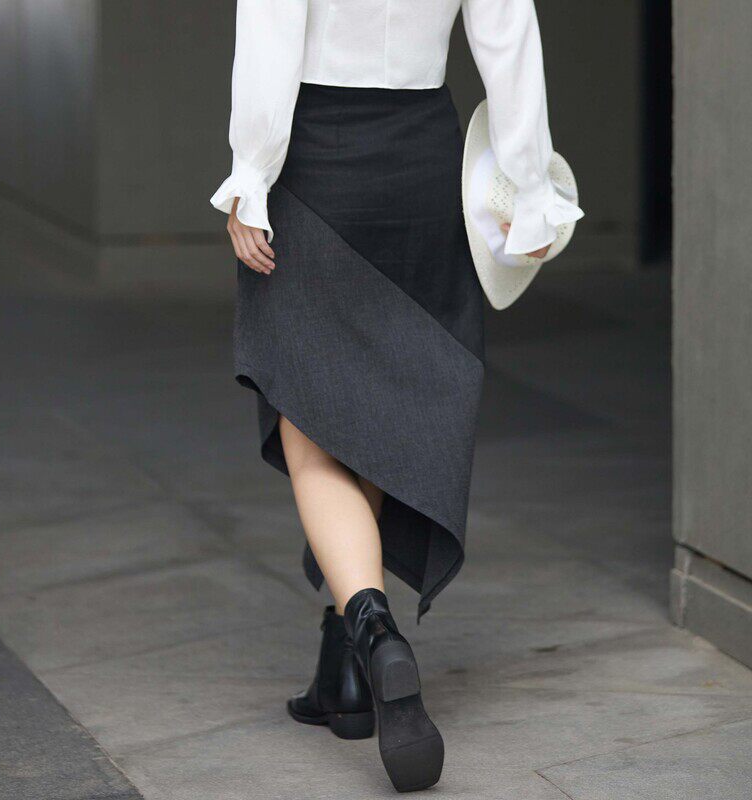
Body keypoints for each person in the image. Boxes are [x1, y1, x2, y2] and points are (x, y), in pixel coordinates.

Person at [211, 0, 583, 791]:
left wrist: (251, 172)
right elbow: (506, 35)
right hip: (422, 159)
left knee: (314, 421)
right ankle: (344, 672)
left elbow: (272, 32)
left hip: (316, 159)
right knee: (372, 409)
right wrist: (530, 186)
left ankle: (375, 633)